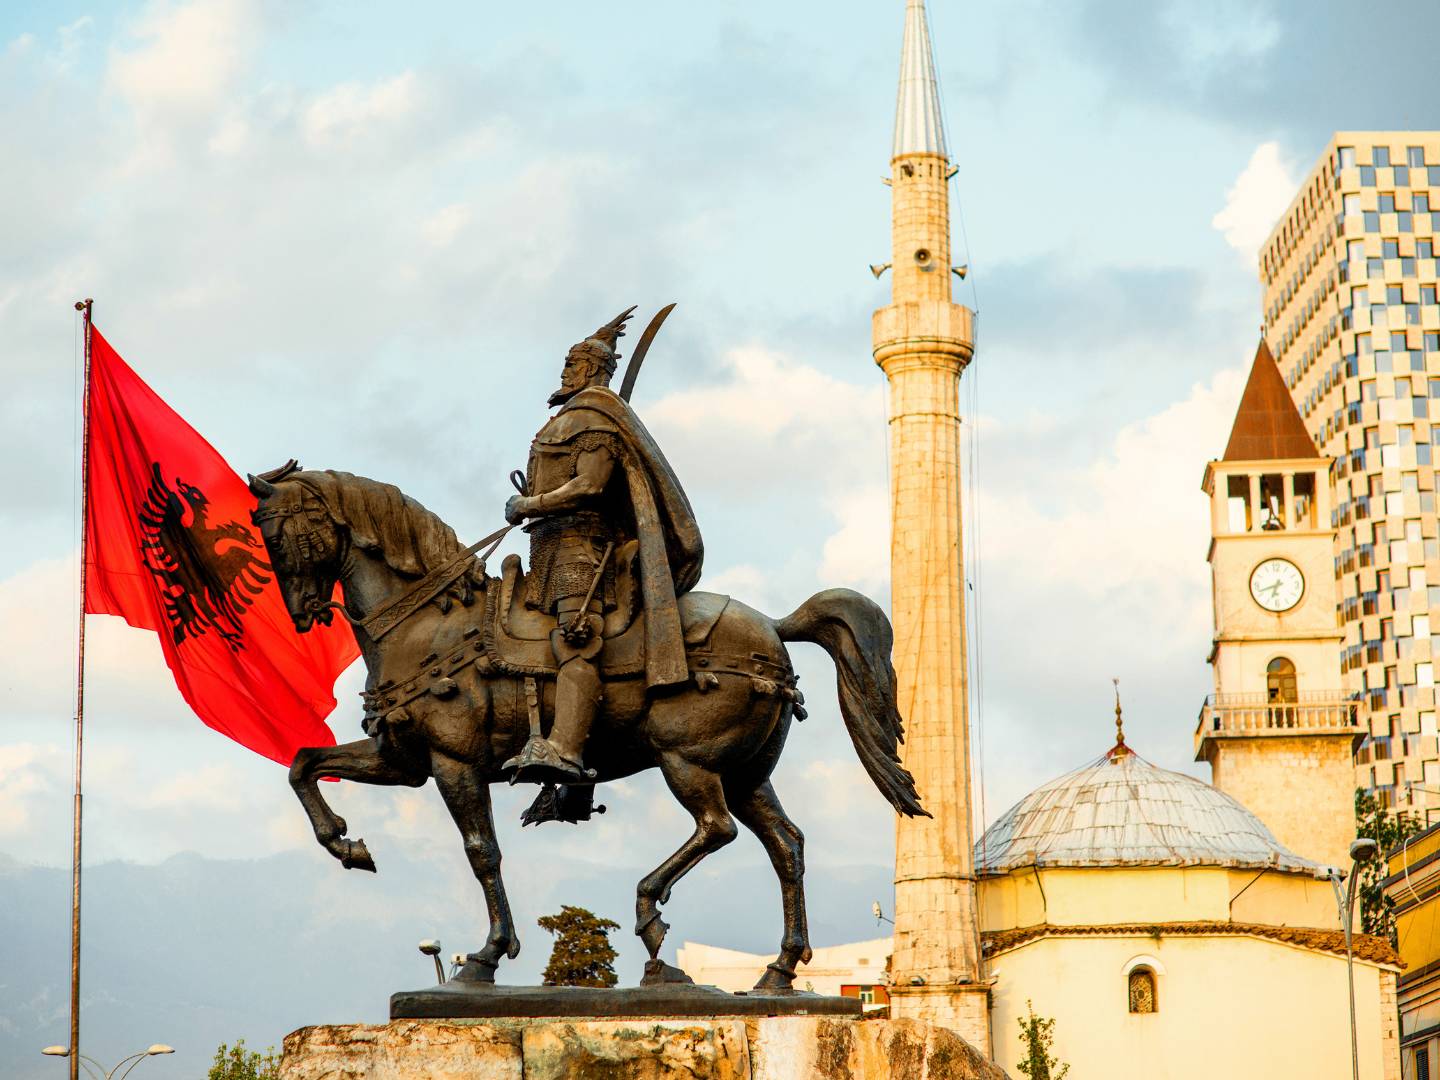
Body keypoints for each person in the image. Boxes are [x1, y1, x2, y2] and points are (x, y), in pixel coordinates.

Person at [503, 308, 703, 784]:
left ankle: (566, 749)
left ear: (592, 371)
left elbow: (591, 486)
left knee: (577, 640)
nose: (564, 372)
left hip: (582, 551)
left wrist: (532, 503)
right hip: (549, 548)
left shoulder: (595, 419)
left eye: (572, 365)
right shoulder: (571, 418)